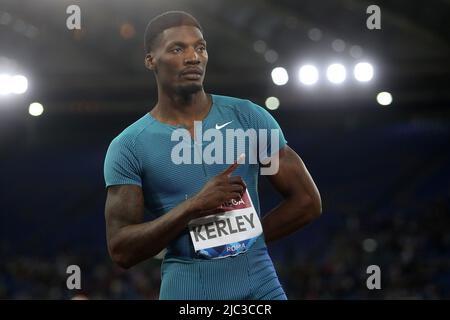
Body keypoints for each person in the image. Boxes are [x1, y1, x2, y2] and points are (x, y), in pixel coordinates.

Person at [104, 11, 322, 300]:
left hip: (262, 288)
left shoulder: (248, 118)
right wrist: (193, 207)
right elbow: (121, 249)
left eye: (200, 47)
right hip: (188, 293)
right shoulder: (129, 146)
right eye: (177, 49)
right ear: (150, 60)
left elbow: (307, 201)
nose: (193, 57)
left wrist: (247, 240)